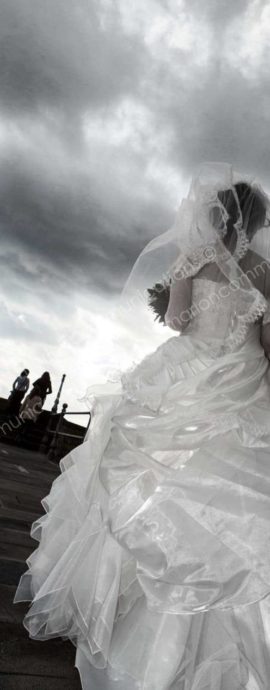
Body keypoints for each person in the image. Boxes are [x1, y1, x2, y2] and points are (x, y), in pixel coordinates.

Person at [14, 163, 270, 689]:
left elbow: (177, 320)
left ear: (217, 216)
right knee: (223, 503)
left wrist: (200, 307)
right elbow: (268, 342)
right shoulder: (268, 270)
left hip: (182, 373)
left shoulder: (193, 259)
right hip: (243, 381)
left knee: (144, 490)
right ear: (258, 222)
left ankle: (132, 623)